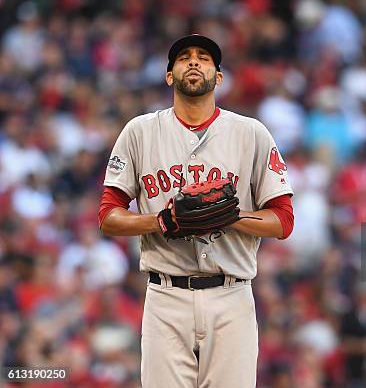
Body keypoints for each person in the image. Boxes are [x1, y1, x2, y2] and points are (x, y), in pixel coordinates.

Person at [98, 34, 294, 387]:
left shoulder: (251, 133)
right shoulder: (139, 132)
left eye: (204, 58)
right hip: (165, 295)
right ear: (169, 75)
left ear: (218, 77)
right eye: (183, 57)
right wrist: (161, 221)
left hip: (231, 295)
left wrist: (231, 218)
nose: (193, 62)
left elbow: (283, 220)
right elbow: (109, 216)